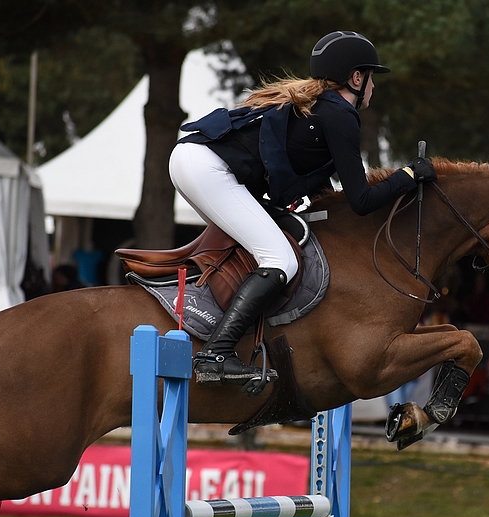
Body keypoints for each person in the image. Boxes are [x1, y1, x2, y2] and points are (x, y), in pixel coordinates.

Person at [169, 31, 437, 389]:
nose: (373, 86)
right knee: (281, 260)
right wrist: (408, 174)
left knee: (274, 242)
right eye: (371, 77)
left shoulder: (321, 107)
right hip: (208, 168)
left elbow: (324, 189)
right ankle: (215, 355)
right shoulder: (340, 115)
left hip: (194, 160)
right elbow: (361, 202)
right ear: (357, 78)